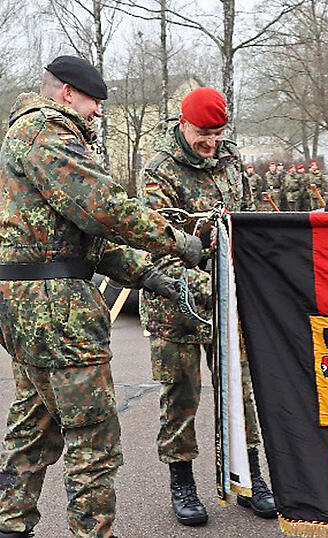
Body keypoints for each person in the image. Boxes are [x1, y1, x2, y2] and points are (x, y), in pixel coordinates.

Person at [0, 55, 203, 538]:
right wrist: (175, 241)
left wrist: (151, 274)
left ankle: (11, 522)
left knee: (36, 421)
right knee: (93, 437)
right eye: (94, 103)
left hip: (34, 304)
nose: (97, 113)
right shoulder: (47, 132)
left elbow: (81, 242)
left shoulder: (31, 135)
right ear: (68, 92)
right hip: (56, 310)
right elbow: (103, 209)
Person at [139, 87, 276, 526]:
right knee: (180, 398)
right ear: (183, 124)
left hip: (227, 303)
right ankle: (183, 483)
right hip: (175, 308)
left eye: (217, 133)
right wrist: (213, 283)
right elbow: (155, 244)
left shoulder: (231, 162)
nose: (210, 142)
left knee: (241, 391)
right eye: (202, 133)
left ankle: (250, 477)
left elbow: (250, 220)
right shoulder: (158, 171)